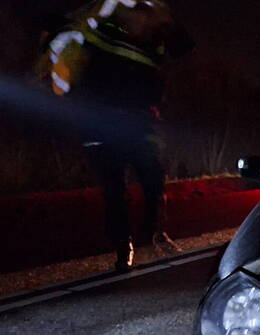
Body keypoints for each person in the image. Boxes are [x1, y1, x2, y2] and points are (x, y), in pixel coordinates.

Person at [43, 0, 192, 271]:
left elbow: (184, 47)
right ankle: (123, 248)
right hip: (104, 125)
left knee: (153, 179)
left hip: (140, 123)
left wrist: (167, 22)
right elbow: (68, 36)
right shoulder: (103, 32)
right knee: (114, 190)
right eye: (138, 16)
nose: (143, 21)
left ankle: (155, 235)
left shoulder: (152, 41)